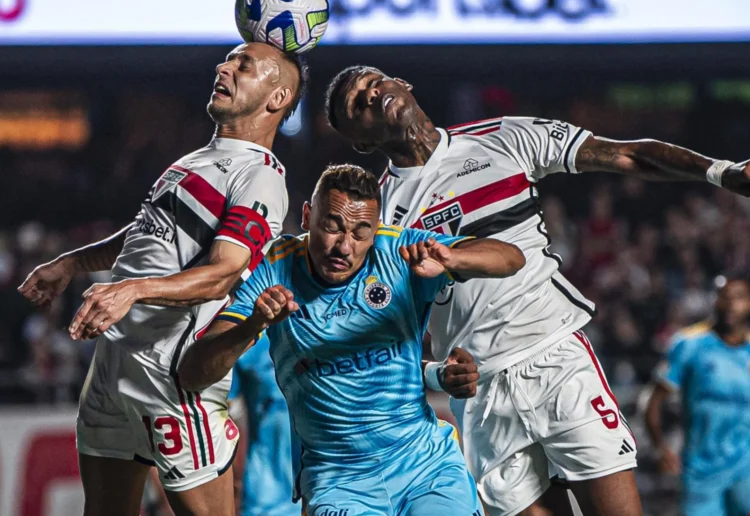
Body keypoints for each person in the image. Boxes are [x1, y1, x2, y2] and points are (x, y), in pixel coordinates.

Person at [323, 65, 750, 516]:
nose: (371, 94)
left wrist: (720, 171)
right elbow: (375, 337)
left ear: (402, 83)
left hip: (553, 358)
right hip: (480, 390)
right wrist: (432, 373)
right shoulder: (376, 219)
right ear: (362, 141)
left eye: (373, 82)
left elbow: (627, 154)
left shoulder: (505, 138)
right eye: (356, 104)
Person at [17, 41, 308, 516]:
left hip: (170, 379)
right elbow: (142, 237)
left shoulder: (259, 175)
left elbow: (223, 274)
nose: (225, 67)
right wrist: (70, 264)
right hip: (114, 367)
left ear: (277, 98)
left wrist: (132, 290)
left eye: (244, 65)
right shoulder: (195, 160)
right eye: (229, 59)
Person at [180, 164, 525, 515]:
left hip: (424, 467)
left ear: (375, 230)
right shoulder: (274, 269)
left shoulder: (398, 251)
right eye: (332, 226)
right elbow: (193, 374)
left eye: (361, 233)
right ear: (307, 216)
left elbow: (511, 258)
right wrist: (251, 324)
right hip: (337, 482)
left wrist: (453, 258)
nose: (344, 246)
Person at [645, 278, 750, 516]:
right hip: (701, 468)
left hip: (749, 464)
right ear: (714, 301)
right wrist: (660, 447)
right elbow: (653, 401)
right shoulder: (688, 344)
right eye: (724, 297)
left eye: (738, 298)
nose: (731, 304)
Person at [229, 335, 299, 516]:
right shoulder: (246, 336)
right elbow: (223, 416)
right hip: (267, 495)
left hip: (333, 484)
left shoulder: (334, 328)